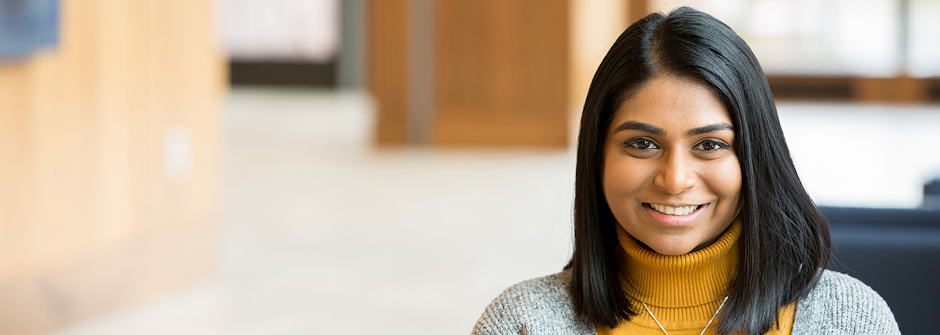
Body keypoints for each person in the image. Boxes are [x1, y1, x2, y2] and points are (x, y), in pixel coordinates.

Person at [472, 7, 900, 335]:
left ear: (756, 156)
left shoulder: (851, 319)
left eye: (710, 145)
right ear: (597, 155)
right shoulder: (523, 322)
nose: (675, 179)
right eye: (642, 143)